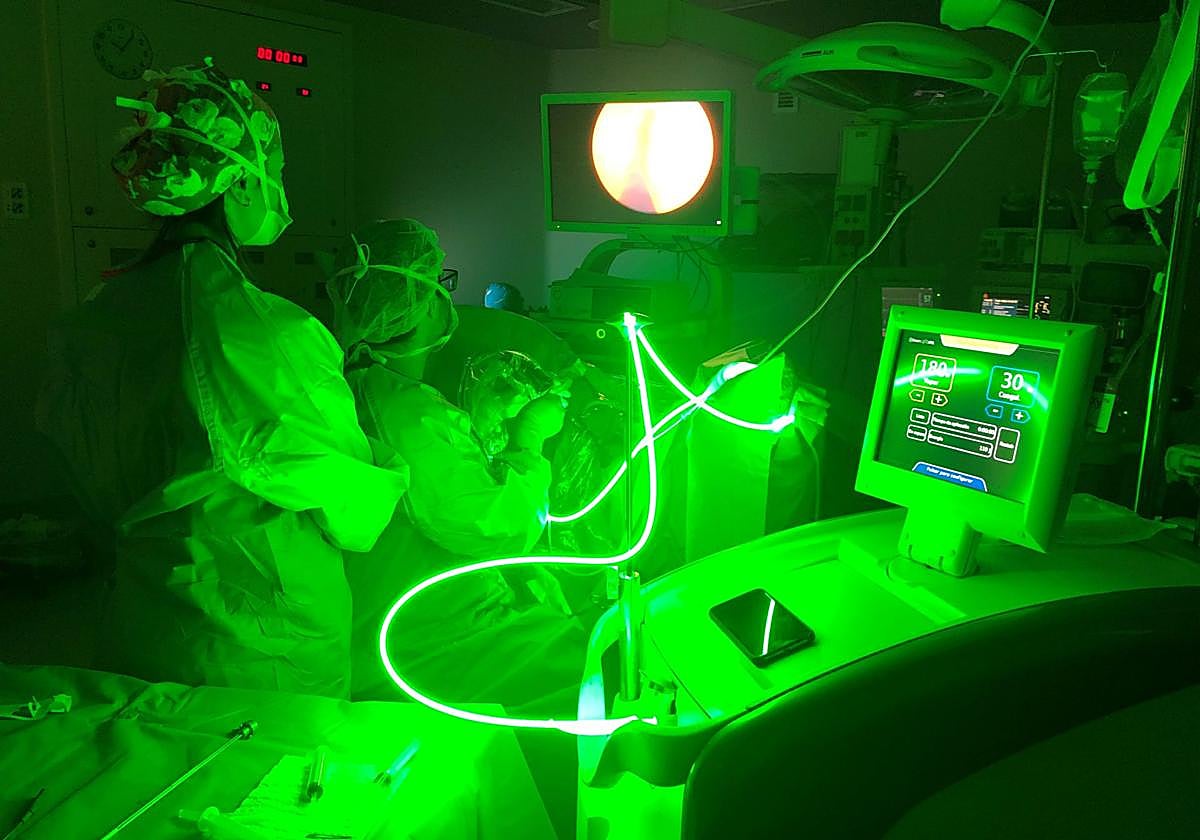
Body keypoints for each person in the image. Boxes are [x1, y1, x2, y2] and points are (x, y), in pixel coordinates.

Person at [37, 59, 406, 697]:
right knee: (280, 759)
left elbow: (87, 478)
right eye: (273, 172)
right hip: (260, 629)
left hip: (144, 611)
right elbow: (353, 510)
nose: (276, 190)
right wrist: (390, 461)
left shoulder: (92, 321)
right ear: (236, 182)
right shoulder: (261, 331)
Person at [327, 219, 585, 708]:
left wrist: (485, 425)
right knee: (596, 671)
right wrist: (529, 441)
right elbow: (490, 525)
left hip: (415, 619)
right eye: (437, 284)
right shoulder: (407, 413)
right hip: (428, 640)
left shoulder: (365, 389)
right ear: (423, 303)